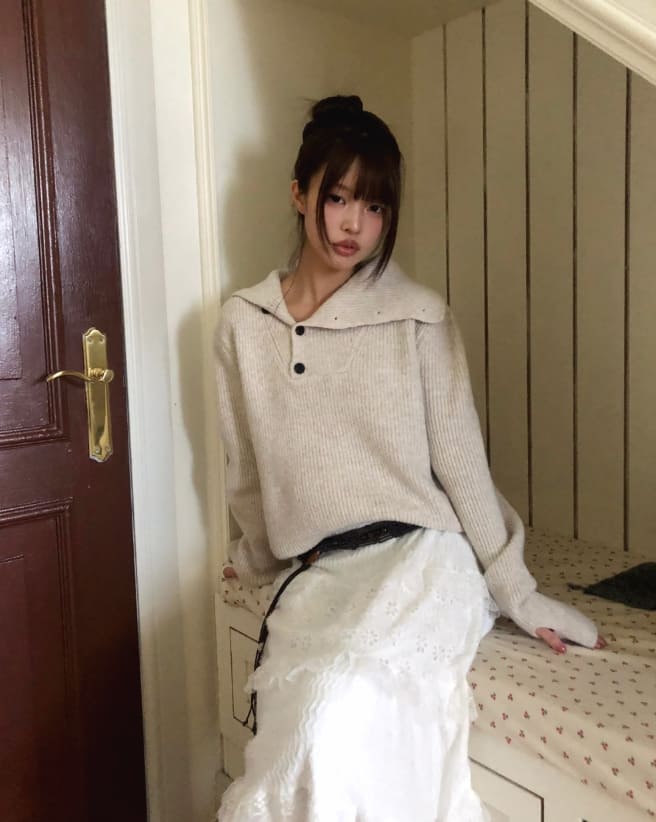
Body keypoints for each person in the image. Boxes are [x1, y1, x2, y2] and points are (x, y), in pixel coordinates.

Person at [214, 95, 606, 821]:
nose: (354, 225)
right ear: (299, 194)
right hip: (321, 572)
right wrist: (257, 558)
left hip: (422, 557)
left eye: (375, 206)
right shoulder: (244, 323)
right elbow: (248, 470)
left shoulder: (419, 316)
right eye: (338, 197)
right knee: (304, 737)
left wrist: (517, 592)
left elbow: (462, 464)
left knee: (338, 711)